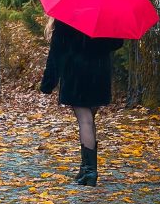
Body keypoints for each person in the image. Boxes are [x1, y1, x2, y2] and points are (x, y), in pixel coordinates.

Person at [39, 17, 123, 186]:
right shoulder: (104, 18)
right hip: (100, 72)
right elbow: (117, 43)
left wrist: (48, 84)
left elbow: (57, 52)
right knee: (90, 120)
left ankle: (90, 171)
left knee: (85, 121)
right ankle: (85, 169)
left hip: (77, 74)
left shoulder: (67, 18)